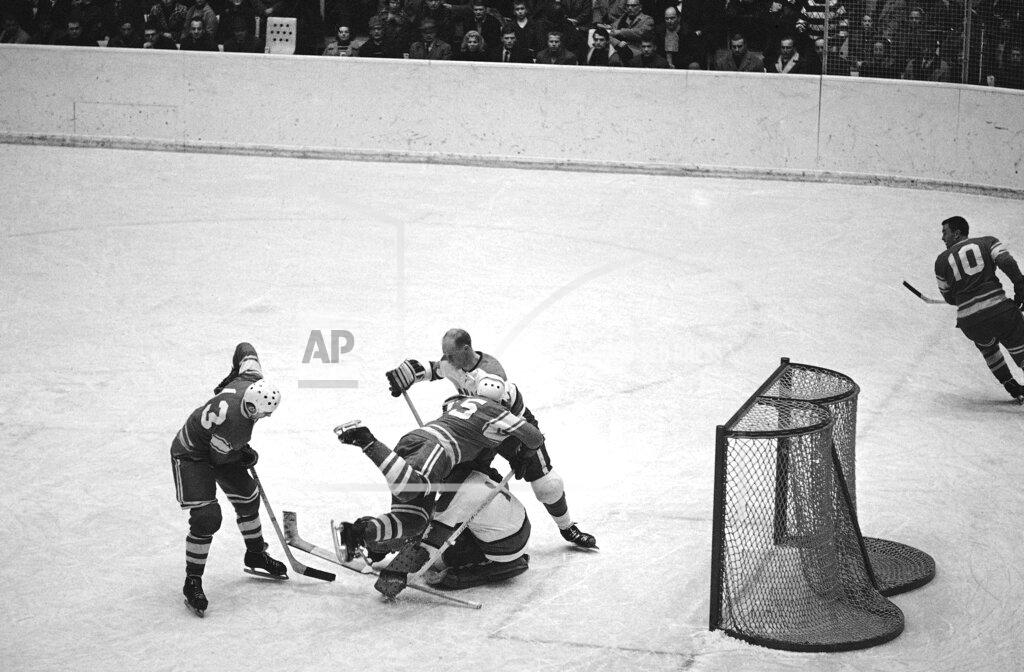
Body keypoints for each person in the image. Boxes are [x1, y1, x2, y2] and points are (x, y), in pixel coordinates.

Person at [386, 328, 598, 549]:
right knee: (459, 477)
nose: (446, 359)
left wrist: (526, 451)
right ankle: (452, 528)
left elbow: (500, 417)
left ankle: (567, 527)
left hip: (511, 428)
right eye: (445, 354)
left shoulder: (492, 375)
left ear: (465, 349)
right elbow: (436, 369)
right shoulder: (452, 362)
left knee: (548, 486)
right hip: (476, 427)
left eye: (451, 355)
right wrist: (413, 374)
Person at [335, 374, 541, 597]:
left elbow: (431, 540)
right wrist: (525, 454)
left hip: (498, 540)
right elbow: (533, 438)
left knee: (414, 521)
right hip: (439, 451)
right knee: (415, 494)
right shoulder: (489, 434)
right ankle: (368, 442)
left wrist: (397, 571)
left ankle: (358, 533)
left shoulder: (466, 479)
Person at [170, 342, 285, 616]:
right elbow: (218, 459)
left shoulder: (251, 379)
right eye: (265, 413)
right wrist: (243, 453)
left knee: (248, 495)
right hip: (192, 454)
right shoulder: (237, 428)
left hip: (218, 445)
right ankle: (192, 581)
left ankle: (255, 553)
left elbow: (245, 349)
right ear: (253, 408)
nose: (268, 416)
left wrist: (230, 378)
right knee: (207, 517)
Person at [934, 216, 1024, 403]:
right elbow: (1006, 262)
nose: (943, 237)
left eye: (945, 232)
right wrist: (1020, 287)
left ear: (957, 233)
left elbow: (949, 297)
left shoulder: (941, 261)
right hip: (1000, 311)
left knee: (988, 348)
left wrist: (965, 294)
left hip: (970, 322)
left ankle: (1010, 384)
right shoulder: (987, 242)